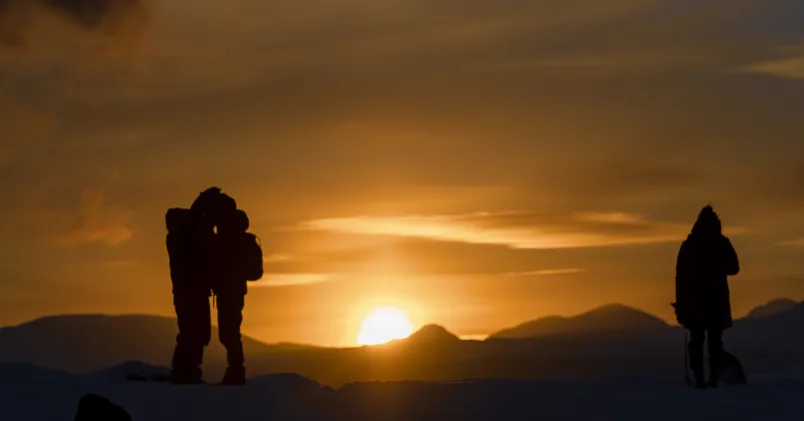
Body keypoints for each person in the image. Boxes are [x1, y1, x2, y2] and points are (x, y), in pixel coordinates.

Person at [674, 205, 740, 389]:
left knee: (697, 341)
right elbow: (734, 268)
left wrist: (681, 305)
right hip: (715, 302)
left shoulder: (690, 245)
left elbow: (680, 277)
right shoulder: (721, 243)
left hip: (695, 303)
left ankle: (700, 380)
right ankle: (712, 380)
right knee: (714, 343)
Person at [165, 207, 214, 384]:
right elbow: (198, 247)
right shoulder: (181, 239)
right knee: (192, 333)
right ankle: (185, 372)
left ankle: (188, 371)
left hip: (191, 292)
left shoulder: (178, 238)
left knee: (195, 333)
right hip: (191, 293)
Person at [214, 208, 262, 385]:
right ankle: (235, 370)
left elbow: (255, 272)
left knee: (229, 333)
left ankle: (236, 370)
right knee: (229, 333)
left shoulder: (237, 243)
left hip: (232, 293)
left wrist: (233, 272)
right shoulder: (235, 242)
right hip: (228, 292)